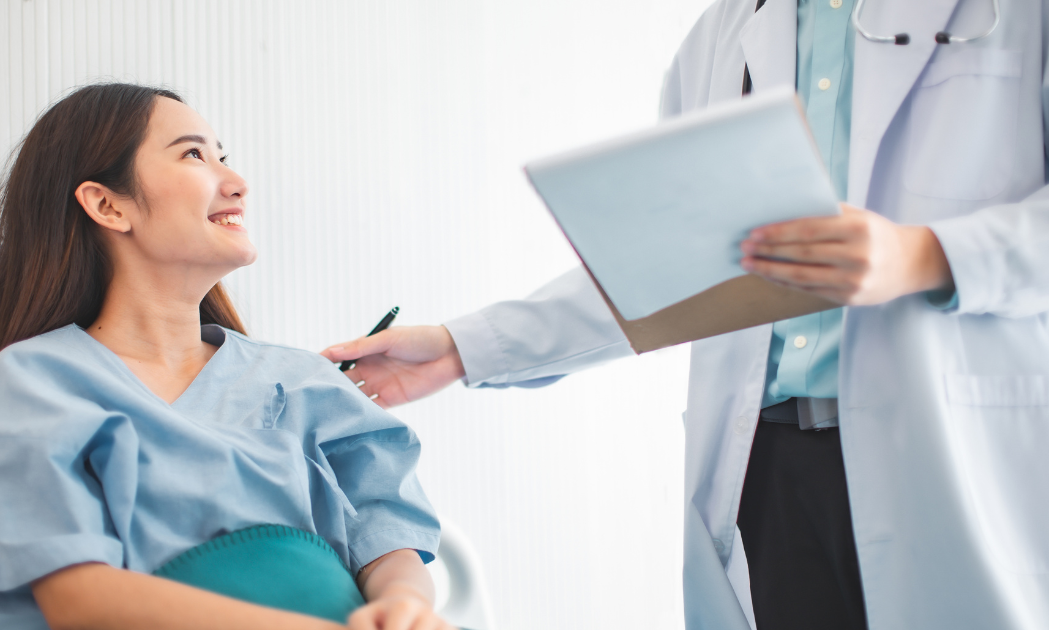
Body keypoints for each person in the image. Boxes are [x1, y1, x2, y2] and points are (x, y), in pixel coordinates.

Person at [322, 1, 1049, 629]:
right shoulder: (721, 38)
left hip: (956, 451)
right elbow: (672, 272)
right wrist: (463, 348)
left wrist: (927, 255)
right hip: (771, 468)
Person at [0, 83, 450, 630]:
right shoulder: (36, 381)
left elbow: (387, 531)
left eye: (224, 156)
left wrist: (405, 604)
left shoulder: (303, 380)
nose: (238, 183)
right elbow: (80, 598)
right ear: (107, 204)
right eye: (194, 154)